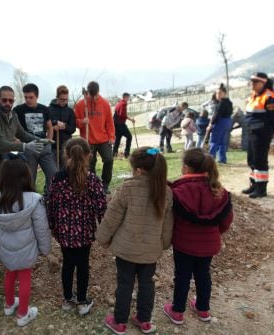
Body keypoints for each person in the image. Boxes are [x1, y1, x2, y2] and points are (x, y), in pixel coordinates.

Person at [97, 147, 173, 335]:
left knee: (125, 284)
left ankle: (119, 322)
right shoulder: (167, 192)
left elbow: (111, 217)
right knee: (147, 284)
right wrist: (164, 243)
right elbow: (167, 223)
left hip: (126, 250)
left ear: (139, 170)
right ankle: (144, 320)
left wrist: (102, 238)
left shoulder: (127, 188)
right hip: (150, 251)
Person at [163, 148, 233, 326]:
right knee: (203, 275)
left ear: (186, 168)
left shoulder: (179, 191)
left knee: (182, 276)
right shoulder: (220, 191)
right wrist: (215, 233)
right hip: (209, 244)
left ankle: (177, 311)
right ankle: (203, 309)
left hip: (184, 244)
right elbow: (226, 220)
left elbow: (171, 218)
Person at [0, 156, 52, 327]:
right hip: (26, 249)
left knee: (9, 274)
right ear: (26, 174)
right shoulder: (34, 199)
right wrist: (45, 249)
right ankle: (23, 313)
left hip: (6, 249)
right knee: (25, 278)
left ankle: (9, 305)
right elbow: (41, 228)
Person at [46, 138, 107, 315]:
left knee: (67, 264)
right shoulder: (93, 180)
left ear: (66, 154)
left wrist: (52, 227)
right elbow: (101, 207)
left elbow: (51, 205)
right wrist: (106, 230)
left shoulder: (56, 179)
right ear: (89, 155)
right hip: (85, 232)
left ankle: (67, 299)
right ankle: (81, 301)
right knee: (82, 265)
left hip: (63, 233)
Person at [0, 85, 45, 187]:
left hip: (3, 157)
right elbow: (1, 144)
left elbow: (22, 134)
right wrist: (25, 147)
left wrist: (40, 140)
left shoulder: (13, 115)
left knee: (8, 188)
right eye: (4, 100)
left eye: (11, 101)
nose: (7, 103)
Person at [74, 81, 115, 193]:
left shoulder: (105, 104)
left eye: (96, 95)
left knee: (109, 159)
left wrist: (111, 136)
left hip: (103, 139)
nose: (94, 98)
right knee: (90, 163)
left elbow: (109, 122)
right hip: (88, 140)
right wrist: (82, 121)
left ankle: (105, 184)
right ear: (88, 93)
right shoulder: (81, 105)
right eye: (92, 96)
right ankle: (93, 184)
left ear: (98, 92)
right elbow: (75, 122)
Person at [13, 83, 56, 190]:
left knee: (53, 174)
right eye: (26, 97)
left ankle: (50, 199)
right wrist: (19, 143)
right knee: (29, 178)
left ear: (37, 96)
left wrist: (49, 142)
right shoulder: (18, 110)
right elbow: (13, 129)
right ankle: (32, 202)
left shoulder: (44, 109)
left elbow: (50, 127)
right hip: (28, 149)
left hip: (44, 147)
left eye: (31, 97)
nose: (28, 100)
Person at [242, 72, 274, 198]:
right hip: (251, 132)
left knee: (260, 160)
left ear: (263, 83)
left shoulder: (269, 97)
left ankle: (261, 189)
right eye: (252, 81)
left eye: (255, 82)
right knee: (252, 160)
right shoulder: (253, 96)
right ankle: (254, 184)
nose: (252, 84)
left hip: (262, 133)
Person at [48, 85, 76, 170]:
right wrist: (54, 125)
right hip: (53, 145)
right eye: (62, 99)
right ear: (57, 97)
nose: (64, 101)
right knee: (53, 171)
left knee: (66, 170)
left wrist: (63, 126)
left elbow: (72, 129)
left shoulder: (70, 111)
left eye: (66, 99)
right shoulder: (49, 109)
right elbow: (45, 124)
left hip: (66, 146)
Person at [208, 83, 233, 164]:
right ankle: (222, 159)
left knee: (214, 141)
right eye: (216, 93)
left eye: (219, 93)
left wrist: (211, 124)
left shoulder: (221, 103)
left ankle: (210, 160)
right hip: (227, 122)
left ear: (224, 93)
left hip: (221, 122)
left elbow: (217, 115)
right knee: (222, 142)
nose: (217, 95)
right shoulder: (229, 101)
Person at [113, 93, 135, 158]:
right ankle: (126, 153)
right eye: (128, 97)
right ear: (125, 97)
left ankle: (114, 153)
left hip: (116, 124)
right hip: (120, 124)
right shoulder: (124, 103)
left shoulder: (118, 103)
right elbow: (123, 115)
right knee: (129, 137)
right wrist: (131, 119)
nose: (128, 99)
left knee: (118, 139)